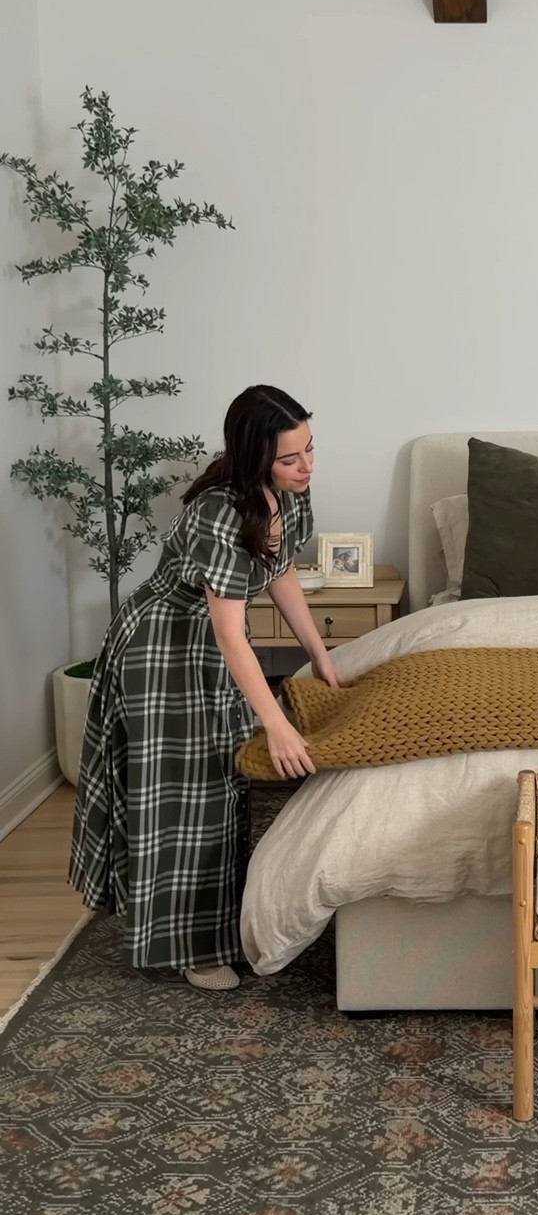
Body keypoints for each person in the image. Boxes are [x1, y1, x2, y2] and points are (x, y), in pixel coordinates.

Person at [69, 384, 341, 992]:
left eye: (310, 450)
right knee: (185, 796)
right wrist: (276, 722)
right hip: (164, 647)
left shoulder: (288, 495)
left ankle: (217, 928)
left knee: (222, 785)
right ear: (253, 457)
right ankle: (187, 947)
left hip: (212, 645)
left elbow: (283, 571)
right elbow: (230, 633)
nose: (307, 466)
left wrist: (320, 654)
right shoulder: (221, 511)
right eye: (291, 458)